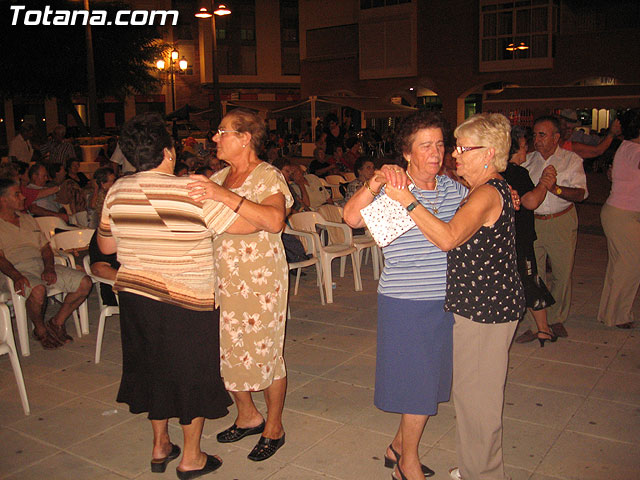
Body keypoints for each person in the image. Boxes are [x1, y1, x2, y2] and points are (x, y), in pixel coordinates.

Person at [97, 112, 243, 478]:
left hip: (135, 296)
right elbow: (242, 226)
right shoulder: (191, 191)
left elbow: (107, 244)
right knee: (190, 376)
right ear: (168, 152)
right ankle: (191, 457)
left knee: (152, 370)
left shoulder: (116, 190)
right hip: (186, 299)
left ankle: (160, 444)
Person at [381, 113, 525, 480]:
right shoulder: (478, 189)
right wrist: (382, 182)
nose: (452, 155)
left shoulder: (485, 192)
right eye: (449, 146)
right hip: (453, 305)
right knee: (466, 394)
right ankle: (455, 462)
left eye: (460, 148)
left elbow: (448, 238)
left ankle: (483, 473)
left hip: (485, 312)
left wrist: (409, 201)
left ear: (488, 153)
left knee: (477, 402)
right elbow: (354, 217)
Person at [344, 111, 468, 480]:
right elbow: (351, 217)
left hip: (445, 301)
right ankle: (406, 463)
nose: (436, 152)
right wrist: (378, 179)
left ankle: (397, 446)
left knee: (428, 380)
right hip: (406, 302)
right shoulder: (398, 192)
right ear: (408, 154)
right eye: (425, 146)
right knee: (418, 387)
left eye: (440, 144)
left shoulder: (451, 189)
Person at [187, 108, 293, 462]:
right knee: (227, 351)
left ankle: (273, 427)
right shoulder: (218, 176)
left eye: (222, 132)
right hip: (222, 278)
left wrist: (225, 199)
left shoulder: (268, 176)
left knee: (265, 353)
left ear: (245, 137)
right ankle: (247, 414)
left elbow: (274, 220)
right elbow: (213, 223)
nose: (215, 138)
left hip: (261, 279)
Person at [0, 178, 92, 349]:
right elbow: (1, 260)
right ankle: (40, 330)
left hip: (41, 265)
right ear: (3, 200)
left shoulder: (27, 218)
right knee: (38, 290)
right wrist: (17, 276)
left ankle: (57, 322)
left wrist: (49, 268)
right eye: (17, 194)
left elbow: (45, 249)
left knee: (85, 282)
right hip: (15, 271)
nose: (23, 198)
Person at [519, 115, 588, 340]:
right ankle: (536, 323)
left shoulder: (571, 160)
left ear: (556, 137)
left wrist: (555, 189)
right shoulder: (527, 161)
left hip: (561, 219)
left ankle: (557, 318)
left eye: (542, 135)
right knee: (533, 274)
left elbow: (580, 194)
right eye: (535, 135)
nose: (537, 140)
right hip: (533, 222)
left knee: (562, 272)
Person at [503, 126, 559, 346]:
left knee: (524, 280)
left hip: (508, 236)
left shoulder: (500, 171)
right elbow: (530, 201)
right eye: (525, 145)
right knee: (529, 279)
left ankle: (542, 329)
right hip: (519, 237)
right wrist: (544, 183)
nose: (528, 148)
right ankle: (543, 330)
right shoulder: (516, 172)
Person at [597, 108, 640, 329]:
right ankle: (618, 315)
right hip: (623, 216)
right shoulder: (634, 150)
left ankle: (609, 313)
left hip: (620, 214)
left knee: (620, 266)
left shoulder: (628, 148)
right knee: (631, 266)